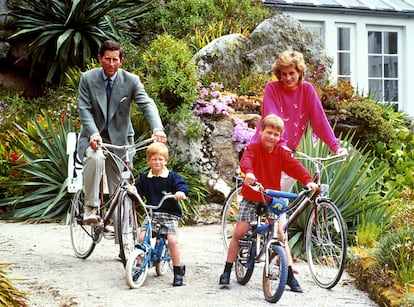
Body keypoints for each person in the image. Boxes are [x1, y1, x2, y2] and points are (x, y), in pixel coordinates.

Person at [250, 50, 348, 292]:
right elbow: (270, 117)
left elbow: (319, 120)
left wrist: (335, 147)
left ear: (299, 72)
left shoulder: (307, 91)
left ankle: (277, 252)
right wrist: (281, 146)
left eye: (291, 73)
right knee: (272, 205)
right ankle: (271, 250)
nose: (287, 78)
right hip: (269, 149)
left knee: (283, 206)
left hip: (287, 153)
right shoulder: (272, 89)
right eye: (282, 74)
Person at [219, 114, 318, 289]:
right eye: (269, 132)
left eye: (276, 134)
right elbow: (246, 161)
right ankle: (227, 269)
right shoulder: (253, 148)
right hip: (252, 195)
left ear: (280, 137)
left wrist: (308, 180)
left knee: (280, 233)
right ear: (261, 131)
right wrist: (249, 173)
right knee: (240, 232)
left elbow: (295, 167)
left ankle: (288, 275)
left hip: (271, 197)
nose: (272, 137)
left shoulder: (281, 153)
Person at [77, 40, 167, 226]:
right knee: (95, 157)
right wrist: (93, 133)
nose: (111, 64)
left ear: (121, 60)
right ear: (100, 58)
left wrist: (157, 128)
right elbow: (84, 110)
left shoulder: (131, 80)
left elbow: (147, 104)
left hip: (120, 140)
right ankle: (91, 208)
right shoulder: (88, 78)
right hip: (94, 138)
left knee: (121, 187)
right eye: (107, 59)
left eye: (115, 60)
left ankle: (123, 243)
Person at [128, 142, 189, 286]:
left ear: (166, 161)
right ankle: (138, 265)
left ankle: (178, 270)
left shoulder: (172, 177)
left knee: (173, 241)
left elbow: (182, 185)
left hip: (169, 214)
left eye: (161, 159)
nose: (157, 162)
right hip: (152, 214)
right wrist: (133, 191)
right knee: (142, 238)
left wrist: (180, 192)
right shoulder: (145, 178)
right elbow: (137, 191)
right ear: (148, 161)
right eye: (154, 159)